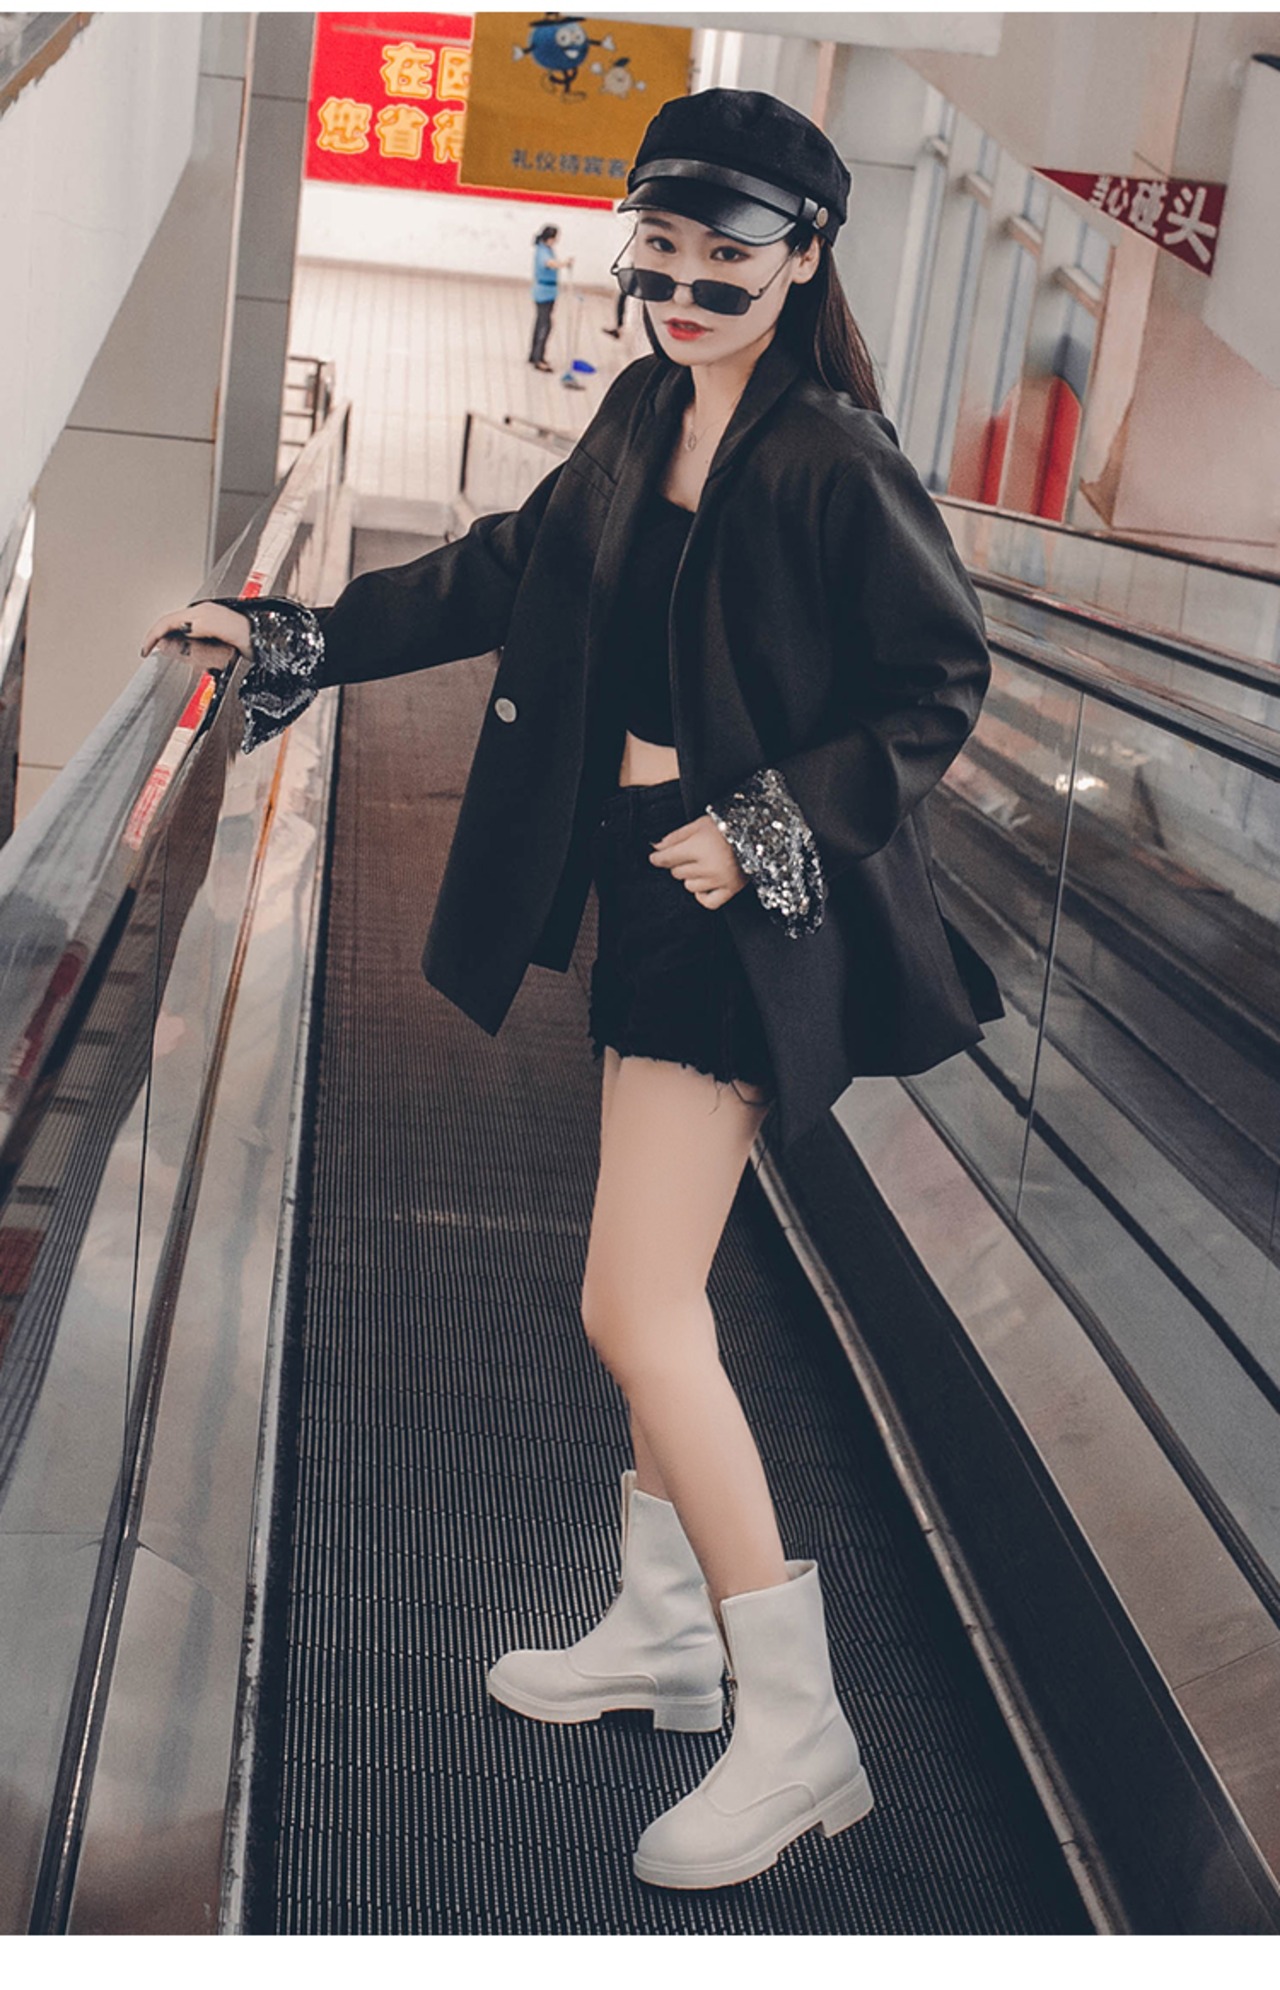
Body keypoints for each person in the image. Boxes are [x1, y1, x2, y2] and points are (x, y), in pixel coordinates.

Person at [142, 88, 1001, 1893]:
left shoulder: (831, 458)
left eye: (721, 260)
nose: (681, 291)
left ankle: (799, 1724)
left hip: (744, 907)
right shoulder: (646, 410)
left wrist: (760, 826)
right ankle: (669, 1631)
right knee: (655, 1285)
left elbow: (938, 680)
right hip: (639, 876)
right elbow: (504, 570)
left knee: (634, 1305)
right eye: (659, 254)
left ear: (805, 258)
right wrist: (297, 636)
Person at [530, 221, 571, 372]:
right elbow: (549, 263)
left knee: (540, 323)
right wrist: (564, 264)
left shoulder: (545, 248)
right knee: (545, 325)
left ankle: (534, 354)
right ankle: (539, 359)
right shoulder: (543, 251)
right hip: (544, 293)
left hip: (547, 291)